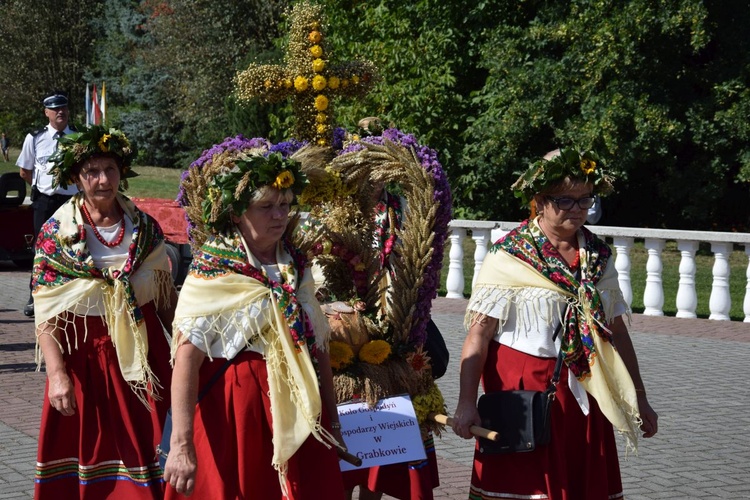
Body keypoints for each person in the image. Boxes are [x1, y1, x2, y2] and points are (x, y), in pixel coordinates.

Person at [451, 147, 658, 500]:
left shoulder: (597, 256)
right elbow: (479, 334)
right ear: (540, 201)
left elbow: (616, 333)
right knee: (524, 486)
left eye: (585, 201)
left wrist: (638, 395)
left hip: (586, 390)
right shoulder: (510, 255)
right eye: (566, 201)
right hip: (522, 392)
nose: (578, 210)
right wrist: (466, 402)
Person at [163, 136, 345, 499]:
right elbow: (186, 359)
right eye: (267, 206)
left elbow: (317, 346)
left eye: (284, 205)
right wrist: (181, 445)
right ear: (236, 212)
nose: (279, 215)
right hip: (235, 414)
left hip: (300, 408)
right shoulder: (213, 272)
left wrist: (333, 419)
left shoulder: (297, 267)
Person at [32, 124, 178, 499]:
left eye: (109, 169)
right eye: (91, 172)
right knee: (91, 453)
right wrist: (57, 373)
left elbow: (164, 300)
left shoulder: (145, 229)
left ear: (121, 172)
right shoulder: (57, 234)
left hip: (145, 361)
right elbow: (47, 313)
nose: (102, 180)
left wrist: (183, 351)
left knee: (149, 448)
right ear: (76, 179)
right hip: (84, 361)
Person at [17, 91, 79, 317]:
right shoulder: (35, 138)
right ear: (47, 113)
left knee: (73, 246)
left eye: (63, 108)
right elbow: (25, 171)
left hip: (71, 201)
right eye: (55, 109)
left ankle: (69, 295)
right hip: (44, 201)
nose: (60, 112)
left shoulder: (78, 137)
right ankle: (36, 296)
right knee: (41, 248)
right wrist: (43, 186)